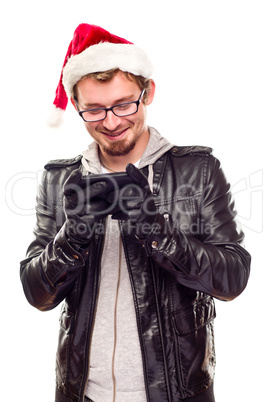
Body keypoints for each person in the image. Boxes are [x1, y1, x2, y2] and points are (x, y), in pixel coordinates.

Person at [20, 23, 251, 402]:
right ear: (76, 104)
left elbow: (233, 278)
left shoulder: (198, 170)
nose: (111, 122)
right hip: (80, 393)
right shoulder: (59, 179)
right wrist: (73, 237)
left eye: (124, 104)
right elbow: (36, 294)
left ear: (149, 93)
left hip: (176, 392)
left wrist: (157, 231)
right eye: (93, 110)